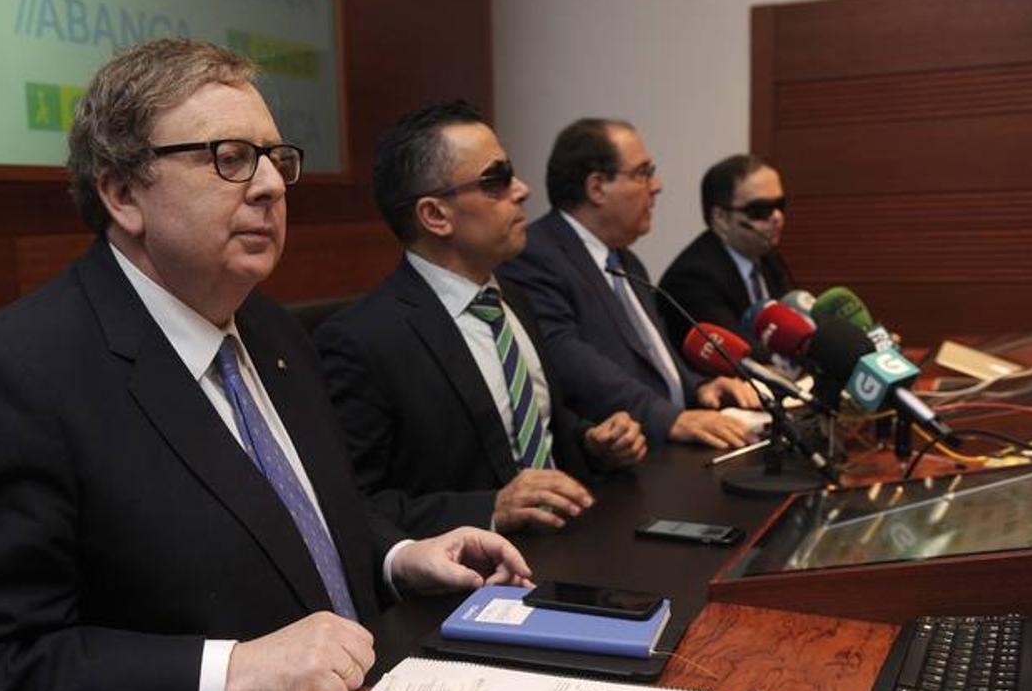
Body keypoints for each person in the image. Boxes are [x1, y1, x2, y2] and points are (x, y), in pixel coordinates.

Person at [0, 39, 531, 691]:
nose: (271, 186)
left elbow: (293, 520)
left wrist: (398, 557)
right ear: (122, 194)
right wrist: (231, 670)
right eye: (230, 158)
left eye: (275, 158)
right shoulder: (4, 379)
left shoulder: (275, 332)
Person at [315, 102, 647, 539]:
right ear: (435, 215)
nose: (523, 190)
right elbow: (355, 508)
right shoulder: (362, 341)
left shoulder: (514, 299)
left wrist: (593, 443)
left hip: (576, 538)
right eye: (497, 180)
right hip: (476, 569)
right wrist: (489, 509)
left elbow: (531, 424)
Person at [498, 119, 759, 450]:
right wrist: (669, 418)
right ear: (596, 188)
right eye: (643, 173)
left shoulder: (626, 260)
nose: (656, 185)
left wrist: (699, 387)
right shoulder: (535, 255)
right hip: (618, 456)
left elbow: (654, 358)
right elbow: (567, 360)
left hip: (668, 444)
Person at [658, 153, 794, 349]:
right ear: (720, 217)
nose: (777, 216)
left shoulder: (769, 259)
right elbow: (737, 354)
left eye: (780, 205)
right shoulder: (692, 278)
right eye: (760, 210)